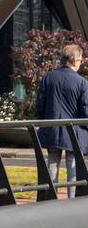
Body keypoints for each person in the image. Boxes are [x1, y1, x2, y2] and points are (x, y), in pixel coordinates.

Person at [36, 44, 88, 198]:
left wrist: (44, 121)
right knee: (72, 164)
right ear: (75, 60)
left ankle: (50, 197)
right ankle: (71, 199)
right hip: (73, 131)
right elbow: (86, 110)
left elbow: (39, 105)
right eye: (80, 60)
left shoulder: (49, 77)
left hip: (51, 127)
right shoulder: (81, 82)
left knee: (52, 163)